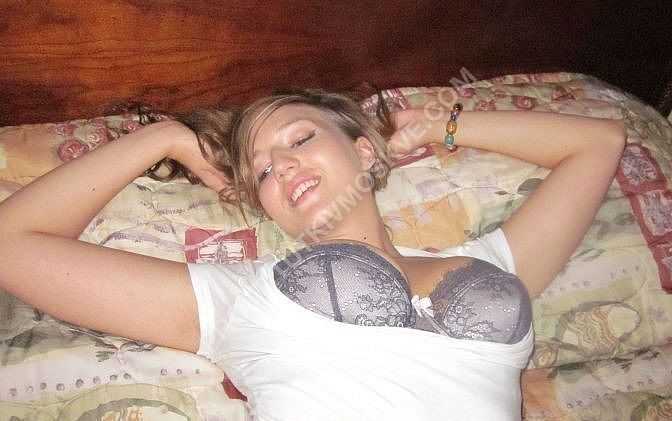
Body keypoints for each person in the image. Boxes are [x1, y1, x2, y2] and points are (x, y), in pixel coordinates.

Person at [0, 89, 626, 420]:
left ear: (362, 151)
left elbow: (600, 143)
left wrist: (438, 126)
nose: (283, 165)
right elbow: (12, 245)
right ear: (264, 207)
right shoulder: (242, 295)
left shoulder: (495, 265)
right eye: (261, 171)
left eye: (299, 138)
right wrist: (166, 138)